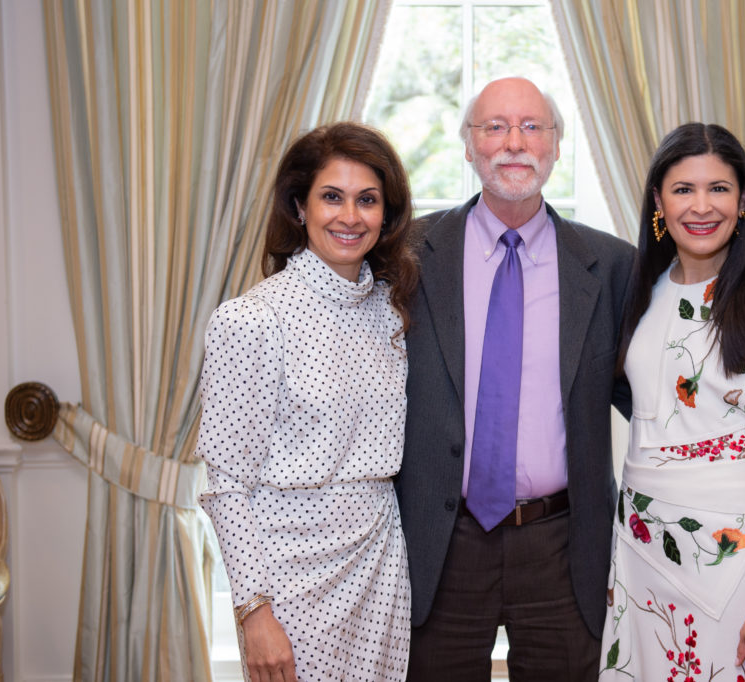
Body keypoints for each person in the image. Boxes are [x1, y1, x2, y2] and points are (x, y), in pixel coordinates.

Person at [396, 77, 637, 680]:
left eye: (532, 127)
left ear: (556, 146)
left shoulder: (611, 265)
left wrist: (741, 451)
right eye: (494, 127)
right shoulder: (406, 254)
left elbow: (652, 397)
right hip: (443, 542)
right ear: (469, 146)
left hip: (562, 544)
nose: (513, 143)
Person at [196, 122, 418, 682]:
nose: (350, 216)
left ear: (386, 214)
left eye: (367, 200)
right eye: (331, 197)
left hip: (381, 570)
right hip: (290, 583)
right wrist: (254, 614)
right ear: (299, 206)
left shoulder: (390, 312)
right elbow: (225, 485)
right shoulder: (251, 320)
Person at [599, 123, 745, 682]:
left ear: (742, 201)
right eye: (683, 189)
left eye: (719, 188)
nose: (701, 206)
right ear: (658, 200)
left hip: (734, 565)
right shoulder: (641, 291)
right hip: (640, 551)